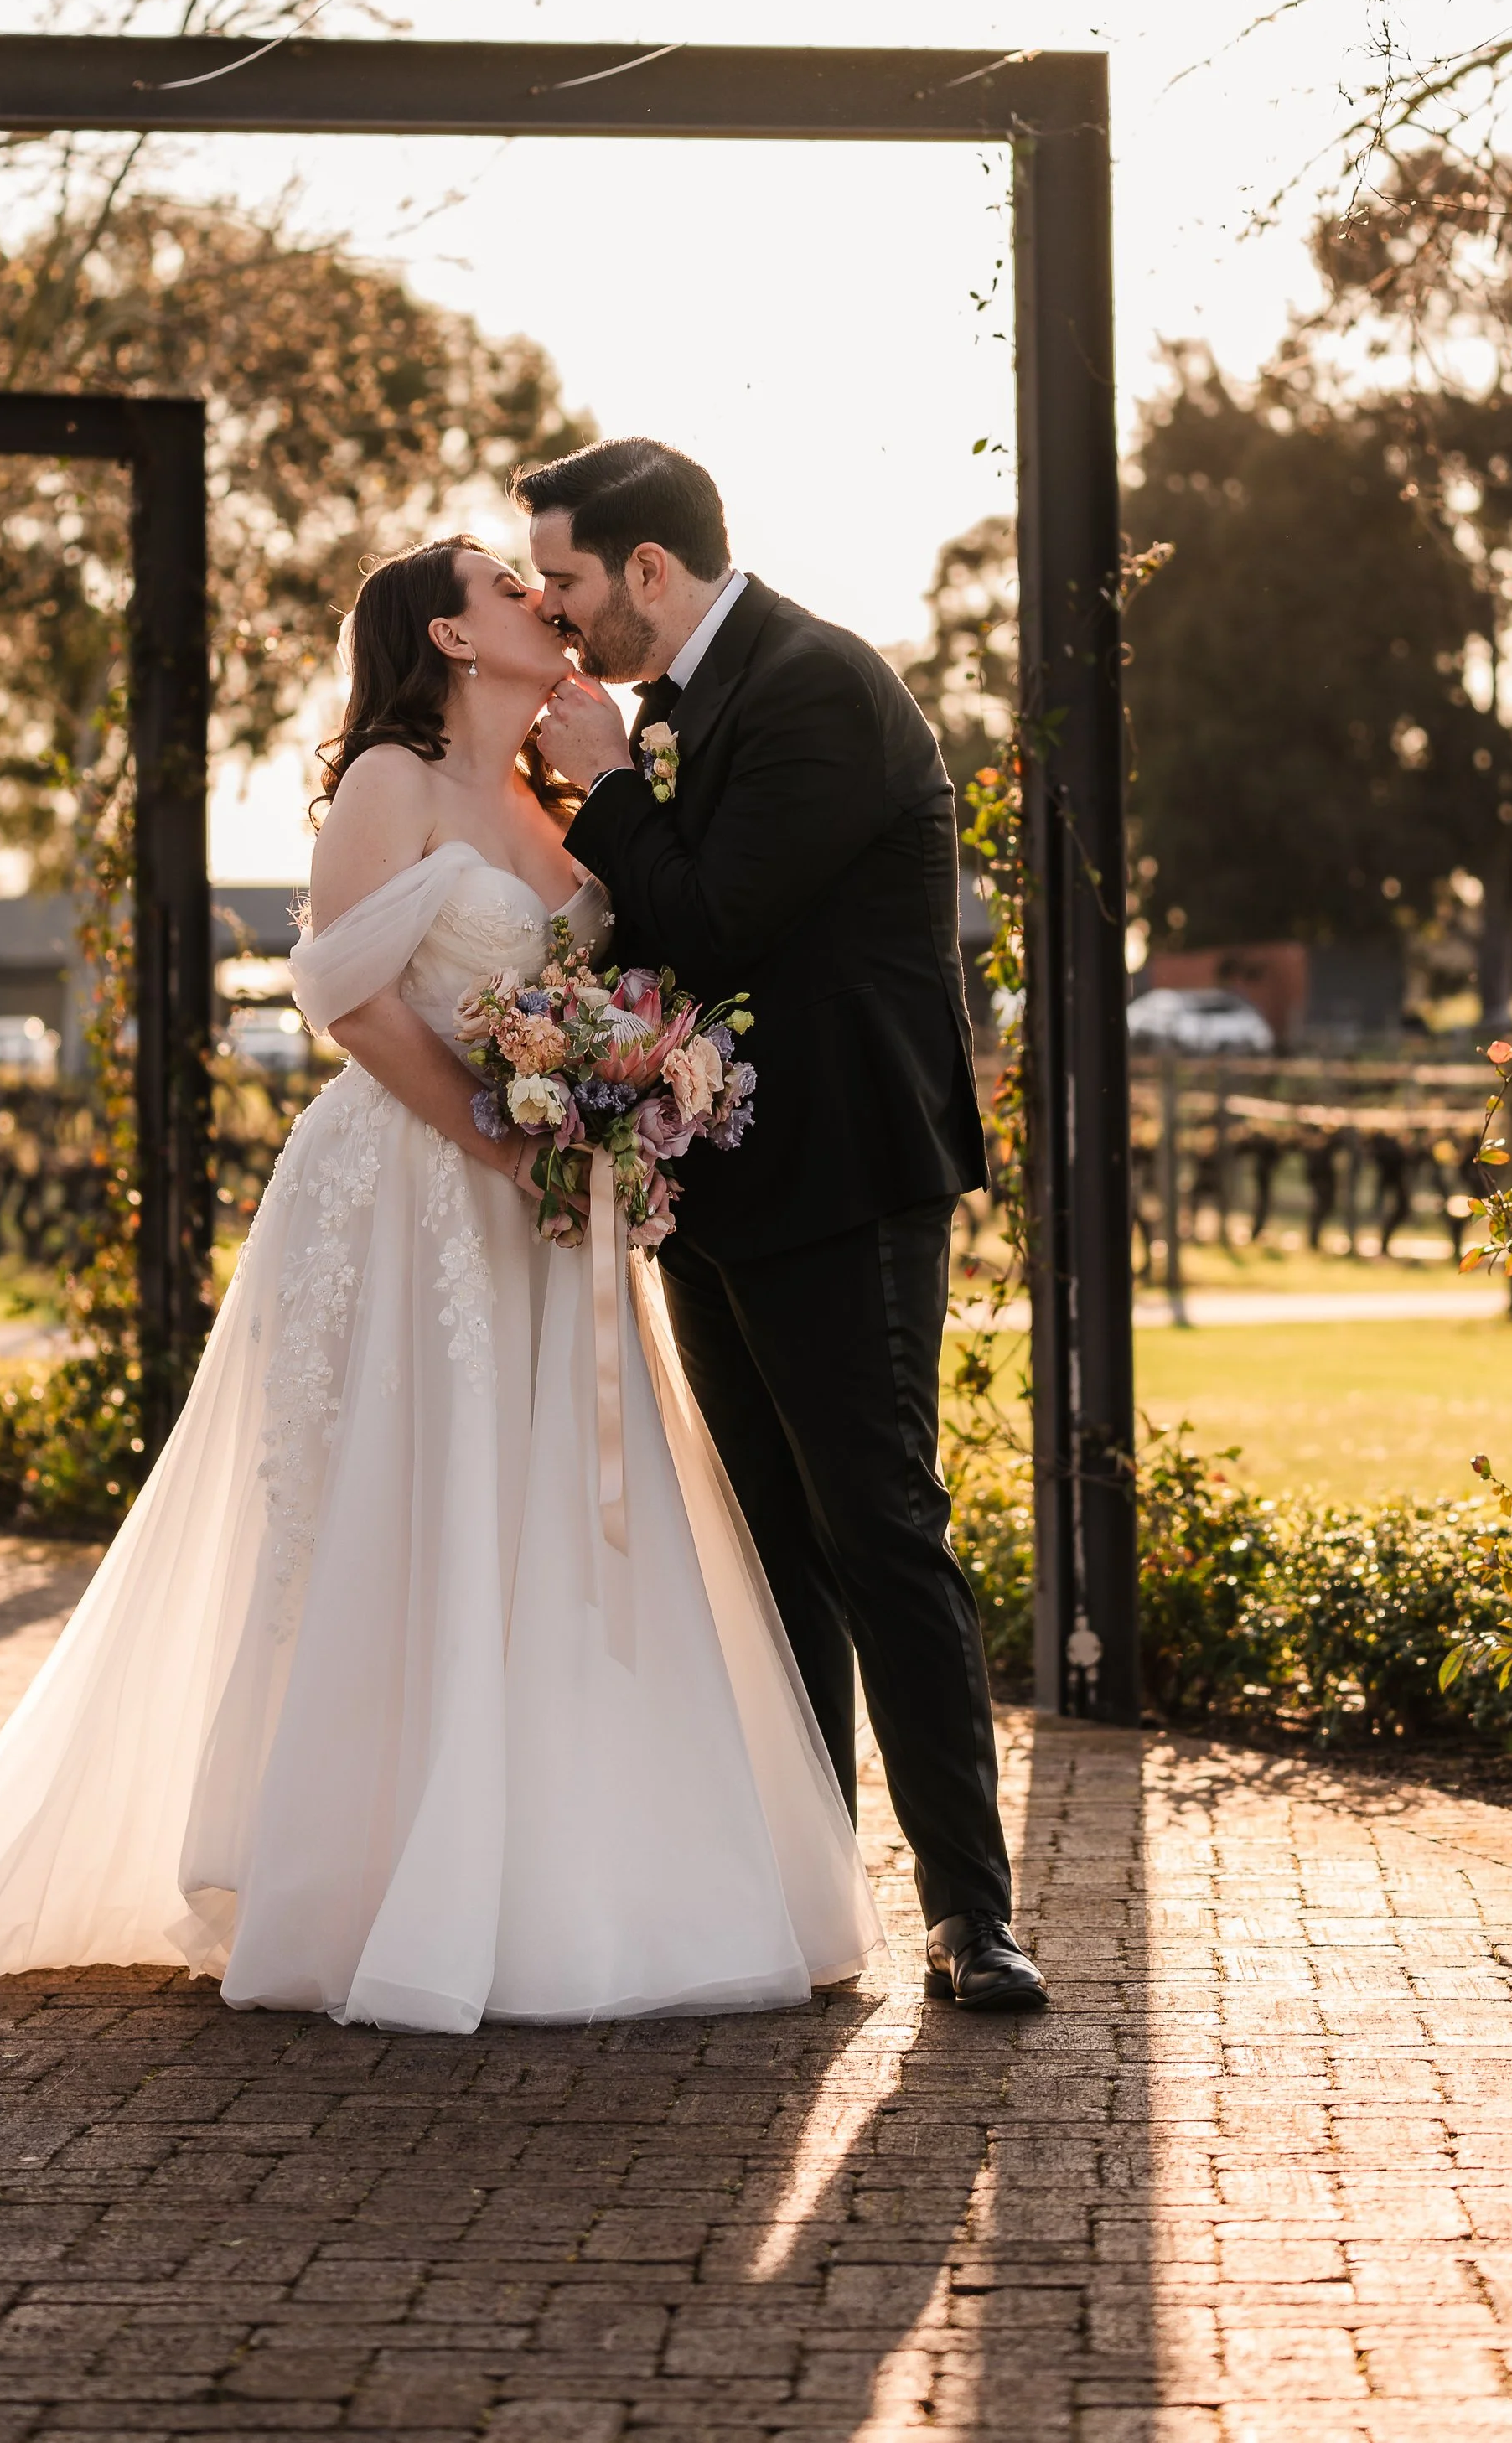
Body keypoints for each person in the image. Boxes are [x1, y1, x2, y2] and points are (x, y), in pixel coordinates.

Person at [0, 536, 880, 2032]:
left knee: (554, 1515)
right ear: (447, 630)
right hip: (420, 1190)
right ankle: (372, 1876)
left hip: (553, 1207)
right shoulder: (391, 778)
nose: (542, 602)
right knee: (404, 1507)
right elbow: (348, 1000)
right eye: (512, 585)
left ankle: (583, 1876)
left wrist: (619, 1097)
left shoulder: (561, 802)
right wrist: (515, 1143)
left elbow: (624, 979)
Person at [525, 437, 1047, 2014]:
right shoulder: (681, 701)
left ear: (650, 572)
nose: (556, 609)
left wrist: (611, 783)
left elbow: (713, 914)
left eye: (565, 578)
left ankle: (973, 1913)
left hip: (843, 1173)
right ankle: (813, 1895)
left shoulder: (815, 682)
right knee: (772, 1545)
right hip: (719, 1184)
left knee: (879, 1524)